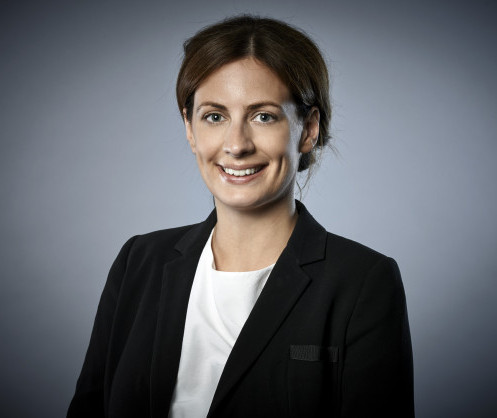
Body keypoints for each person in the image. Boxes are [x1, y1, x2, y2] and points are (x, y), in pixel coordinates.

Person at [67, 15, 414, 418]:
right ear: (190, 128)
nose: (236, 145)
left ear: (308, 129)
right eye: (214, 116)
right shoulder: (139, 262)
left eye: (263, 116)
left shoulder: (363, 282)